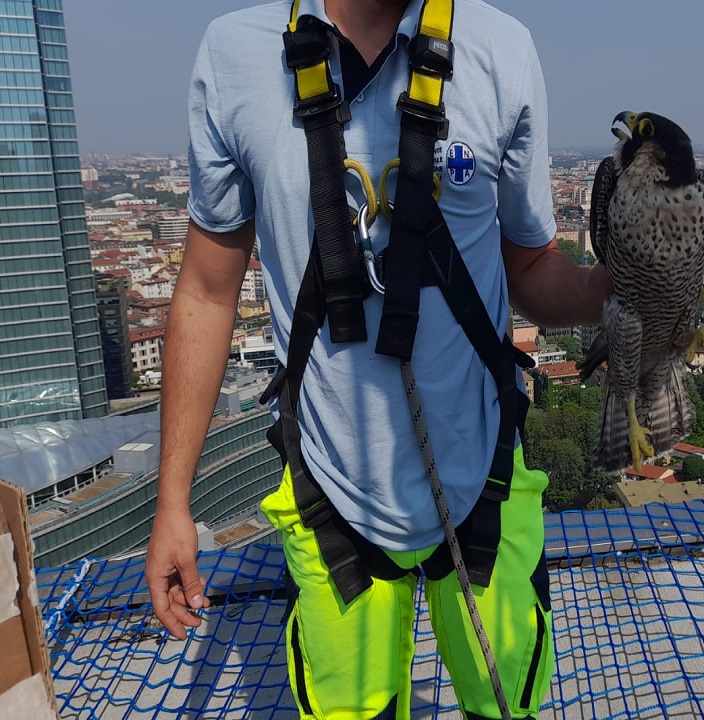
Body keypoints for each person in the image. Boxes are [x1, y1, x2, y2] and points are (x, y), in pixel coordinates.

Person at [144, 1, 612, 718]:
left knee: (505, 701)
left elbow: (532, 269)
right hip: (331, 487)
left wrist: (621, 294)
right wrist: (171, 503)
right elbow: (207, 293)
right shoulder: (236, 56)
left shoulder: (500, 51)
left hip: (478, 468)